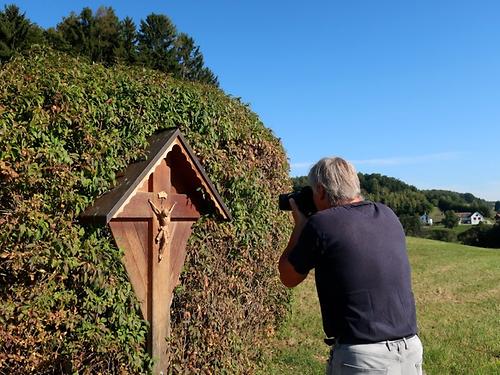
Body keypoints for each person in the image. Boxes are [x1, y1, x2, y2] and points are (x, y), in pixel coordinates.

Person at [278, 157, 423, 375]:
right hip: (409, 349)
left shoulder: (322, 223)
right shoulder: (387, 214)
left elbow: (288, 277)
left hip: (363, 358)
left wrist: (300, 226)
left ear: (320, 191)